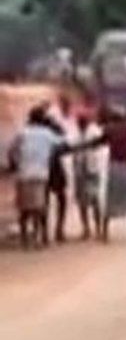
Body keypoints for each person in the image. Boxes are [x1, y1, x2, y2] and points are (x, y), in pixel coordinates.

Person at [7, 107, 66, 249]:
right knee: (39, 208)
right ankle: (39, 238)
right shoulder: (48, 133)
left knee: (24, 209)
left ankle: (24, 239)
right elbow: (63, 143)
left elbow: (11, 151)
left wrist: (14, 163)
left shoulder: (22, 132)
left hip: (23, 174)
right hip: (40, 174)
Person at [90, 106, 126, 242]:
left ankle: (104, 233)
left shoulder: (110, 129)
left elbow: (99, 142)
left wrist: (89, 144)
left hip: (115, 167)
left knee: (111, 199)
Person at [72, 110, 103, 240]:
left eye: (82, 120)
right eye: (79, 121)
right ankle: (86, 229)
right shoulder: (75, 134)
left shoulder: (95, 131)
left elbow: (100, 146)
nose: (80, 123)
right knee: (82, 203)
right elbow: (72, 149)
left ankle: (98, 228)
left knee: (95, 200)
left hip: (92, 170)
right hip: (80, 171)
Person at [41, 108, 69, 243]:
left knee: (44, 201)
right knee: (61, 199)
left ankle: (45, 232)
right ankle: (59, 230)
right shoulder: (54, 128)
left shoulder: (34, 127)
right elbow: (65, 143)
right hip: (54, 167)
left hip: (43, 168)